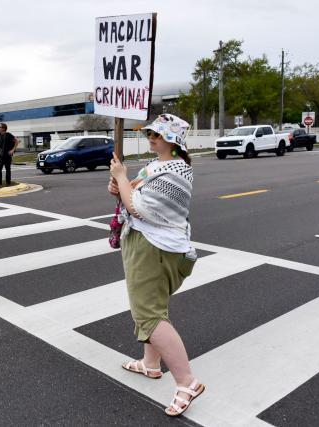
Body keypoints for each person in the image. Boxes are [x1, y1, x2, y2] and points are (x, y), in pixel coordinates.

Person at [108, 113, 204, 418]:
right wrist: (120, 185)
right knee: (154, 307)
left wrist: (123, 179)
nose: (151, 138)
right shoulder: (158, 166)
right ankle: (151, 364)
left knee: (148, 314)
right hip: (153, 245)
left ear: (173, 140)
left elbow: (138, 207)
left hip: (155, 248)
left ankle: (187, 382)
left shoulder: (175, 171)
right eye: (150, 133)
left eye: (157, 135)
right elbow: (130, 195)